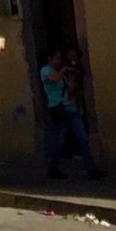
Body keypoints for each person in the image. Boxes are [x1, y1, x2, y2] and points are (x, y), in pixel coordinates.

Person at [41, 48, 103, 179]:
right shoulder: (46, 71)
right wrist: (64, 71)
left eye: (59, 58)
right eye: (56, 58)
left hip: (70, 109)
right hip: (58, 109)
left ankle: (91, 169)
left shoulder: (60, 73)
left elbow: (69, 88)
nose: (59, 61)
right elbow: (53, 79)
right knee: (59, 140)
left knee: (83, 139)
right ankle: (53, 168)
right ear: (49, 59)